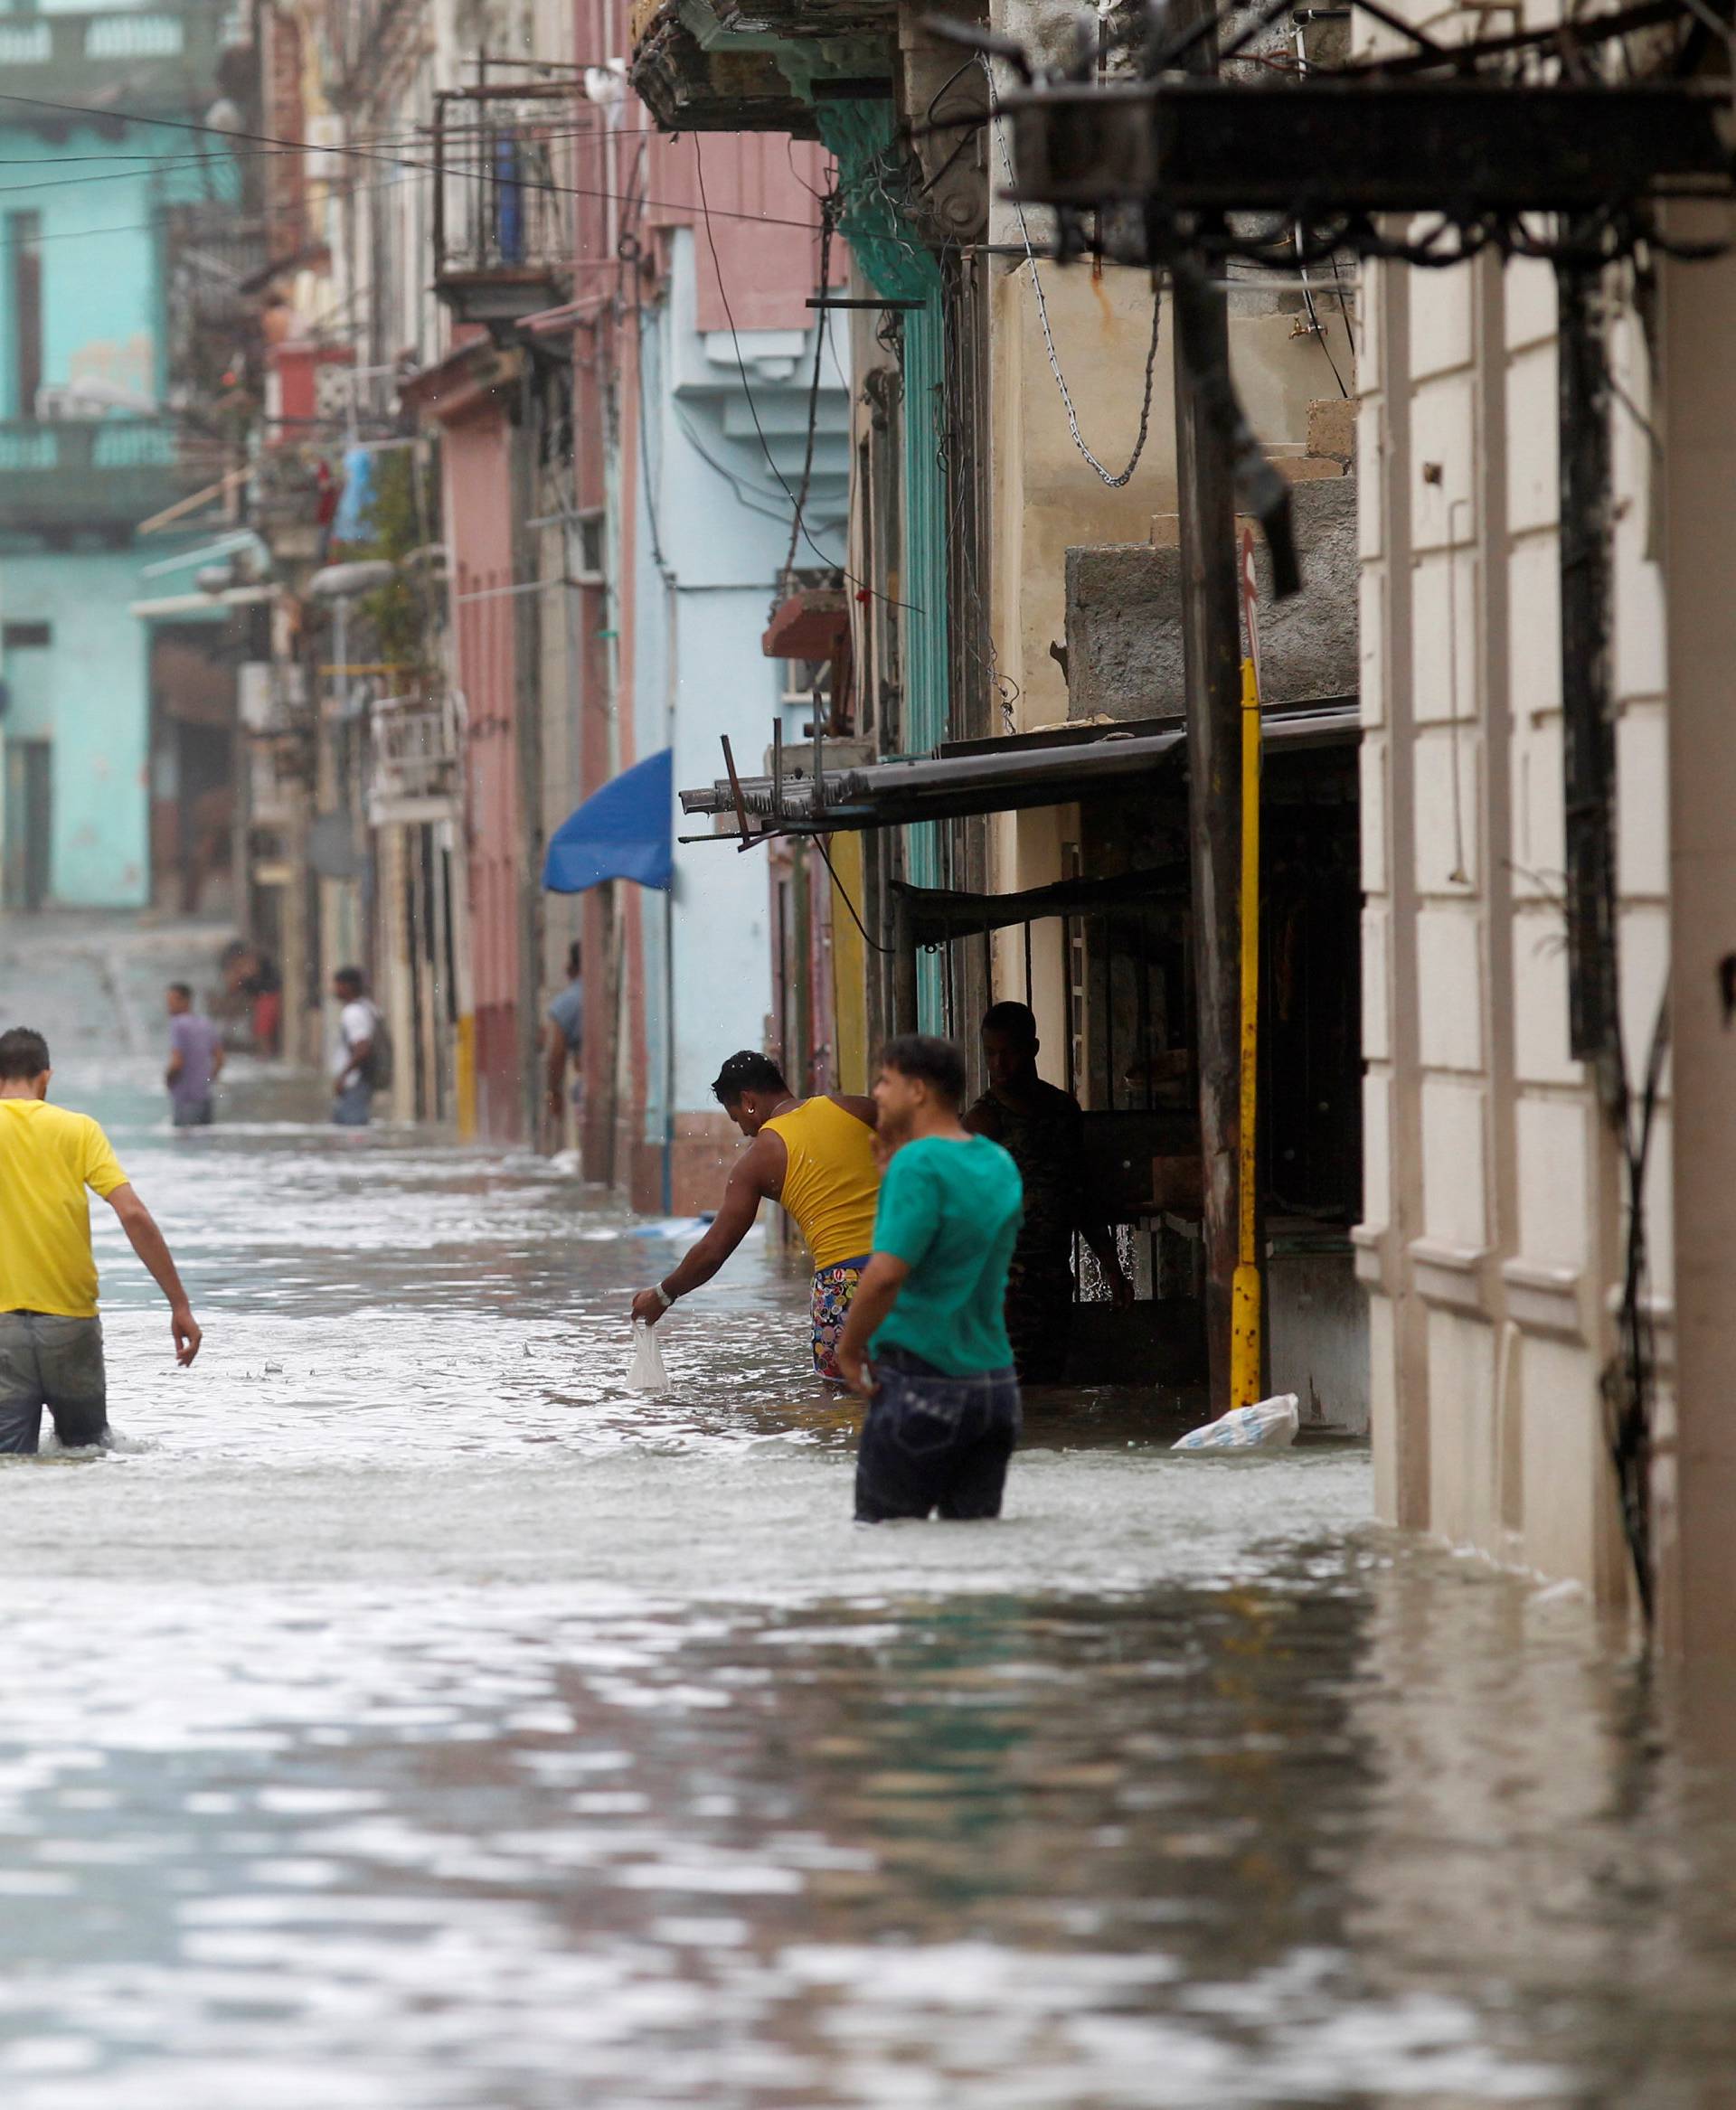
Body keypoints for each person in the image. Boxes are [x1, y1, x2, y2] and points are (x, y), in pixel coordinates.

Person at [834, 1035, 1024, 1522]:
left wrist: (850, 1350)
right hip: (995, 1389)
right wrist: (891, 1177)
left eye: (885, 1081)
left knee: (888, 1549)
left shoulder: (917, 1164)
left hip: (925, 1383)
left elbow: (885, 1275)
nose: (876, 1092)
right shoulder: (998, 1162)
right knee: (971, 1552)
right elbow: (954, 1247)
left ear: (917, 1091)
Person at [0, 1026, 202, 1454]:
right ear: (46, 1077)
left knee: (9, 1463)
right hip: (70, 1325)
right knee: (86, 1451)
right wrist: (178, 1303)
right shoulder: (79, 1130)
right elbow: (132, 1213)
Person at [629, 1051, 880, 1381]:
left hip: (843, 1288)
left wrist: (662, 1295)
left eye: (737, 1119)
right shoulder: (857, 1109)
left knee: (845, 1403)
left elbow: (714, 1250)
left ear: (748, 1102)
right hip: (905, 1266)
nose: (745, 1131)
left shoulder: (757, 1160)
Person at [963, 1000, 1132, 1384]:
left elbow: (1080, 1192)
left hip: (1053, 1275)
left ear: (1033, 1049)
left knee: (1050, 1388)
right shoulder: (983, 1122)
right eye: (991, 1054)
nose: (999, 1065)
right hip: (1004, 1282)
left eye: (1010, 1053)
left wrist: (1110, 1264)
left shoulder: (1062, 1111)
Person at [165, 981, 224, 1128]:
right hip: (205, 1098)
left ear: (186, 1001)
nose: (169, 1005)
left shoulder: (177, 1024)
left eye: (172, 1001)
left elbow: (177, 1062)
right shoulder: (205, 1023)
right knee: (204, 1146)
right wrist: (207, 1080)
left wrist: (168, 1079)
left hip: (185, 1099)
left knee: (185, 1147)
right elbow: (220, 1059)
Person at [330, 966, 379, 1127]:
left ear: (348, 986)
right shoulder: (367, 1007)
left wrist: (343, 1076)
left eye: (337, 985)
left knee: (352, 1133)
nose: (334, 990)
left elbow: (362, 1048)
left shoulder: (353, 1013)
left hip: (354, 1084)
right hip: (360, 1082)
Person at [544, 941, 583, 1134]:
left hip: (585, 1086)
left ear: (571, 967)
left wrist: (554, 1092)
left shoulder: (567, 1002)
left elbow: (557, 1052)